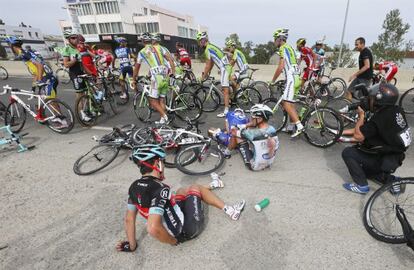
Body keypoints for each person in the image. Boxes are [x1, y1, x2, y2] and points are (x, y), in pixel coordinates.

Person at [115, 144, 246, 252]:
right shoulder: (160, 188)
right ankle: (231, 210)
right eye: (163, 162)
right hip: (185, 230)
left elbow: (129, 219)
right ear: (157, 163)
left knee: (181, 190)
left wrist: (132, 246)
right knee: (195, 188)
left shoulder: (133, 187)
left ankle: (212, 185)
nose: (164, 166)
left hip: (174, 219)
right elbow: (153, 228)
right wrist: (174, 241)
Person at [341, 83, 412, 194]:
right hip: (395, 157)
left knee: (348, 152)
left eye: (372, 98)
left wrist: (361, 116)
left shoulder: (380, 117)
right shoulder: (396, 110)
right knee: (366, 172)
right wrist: (339, 132)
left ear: (379, 99)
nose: (369, 100)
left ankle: (361, 186)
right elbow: (367, 129)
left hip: (384, 158)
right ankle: (393, 181)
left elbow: (358, 136)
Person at [210, 104, 279, 171]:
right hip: (269, 162)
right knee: (248, 134)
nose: (251, 119)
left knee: (236, 136)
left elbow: (233, 132)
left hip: (255, 166)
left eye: (253, 118)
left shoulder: (252, 134)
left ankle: (226, 153)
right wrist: (246, 125)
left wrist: (238, 126)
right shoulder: (272, 129)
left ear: (260, 119)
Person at [132, 32, 174, 125]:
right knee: (161, 99)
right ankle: (163, 119)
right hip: (165, 76)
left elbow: (136, 67)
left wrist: (133, 79)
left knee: (152, 100)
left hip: (156, 78)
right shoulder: (160, 48)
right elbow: (170, 59)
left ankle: (165, 116)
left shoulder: (142, 52)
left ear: (143, 41)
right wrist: (173, 73)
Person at [270, 29, 303, 137]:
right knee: (291, 104)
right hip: (297, 77)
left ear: (280, 39)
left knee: (286, 103)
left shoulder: (283, 48)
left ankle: (299, 126)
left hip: (291, 78)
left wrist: (273, 80)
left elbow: (281, 66)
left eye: (275, 39)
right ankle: (291, 126)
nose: (274, 41)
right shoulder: (291, 48)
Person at [197, 31, 232, 118]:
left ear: (203, 40)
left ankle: (226, 111)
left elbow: (208, 65)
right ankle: (230, 101)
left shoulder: (207, 49)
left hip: (225, 68)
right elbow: (212, 63)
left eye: (199, 41)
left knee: (225, 90)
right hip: (225, 67)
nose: (198, 43)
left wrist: (203, 77)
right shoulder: (211, 47)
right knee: (225, 88)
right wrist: (208, 73)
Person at [62, 30, 91, 122]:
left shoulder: (77, 49)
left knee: (85, 93)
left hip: (81, 72)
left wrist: (90, 73)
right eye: (73, 38)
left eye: (76, 37)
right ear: (68, 39)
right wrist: (74, 60)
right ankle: (81, 113)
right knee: (79, 95)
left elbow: (82, 63)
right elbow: (66, 64)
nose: (76, 40)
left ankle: (86, 111)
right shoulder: (67, 49)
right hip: (74, 74)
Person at [343, 37, 373, 102]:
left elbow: (367, 66)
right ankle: (349, 108)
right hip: (360, 77)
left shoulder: (365, 52)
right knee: (349, 91)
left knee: (361, 97)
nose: (355, 46)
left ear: (362, 44)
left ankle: (362, 111)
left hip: (365, 79)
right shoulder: (362, 52)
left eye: (357, 44)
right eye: (355, 44)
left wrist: (354, 75)